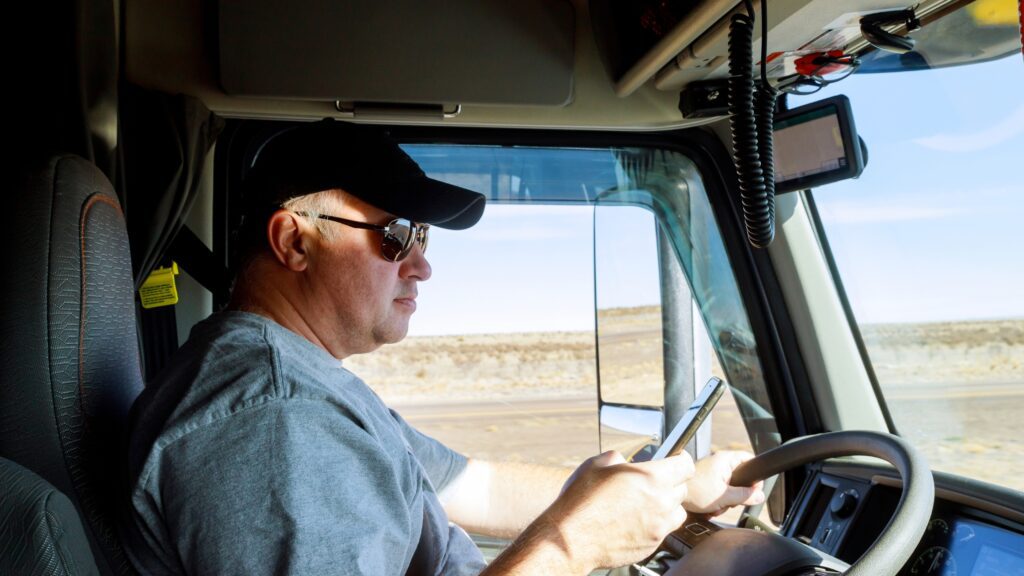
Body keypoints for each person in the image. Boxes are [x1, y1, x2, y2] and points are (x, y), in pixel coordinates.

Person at [122, 119, 765, 575]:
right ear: (294, 242)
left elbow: (475, 488)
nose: (423, 266)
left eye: (424, 237)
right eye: (397, 235)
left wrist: (668, 489)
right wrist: (573, 543)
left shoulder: (303, 382)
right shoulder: (273, 424)